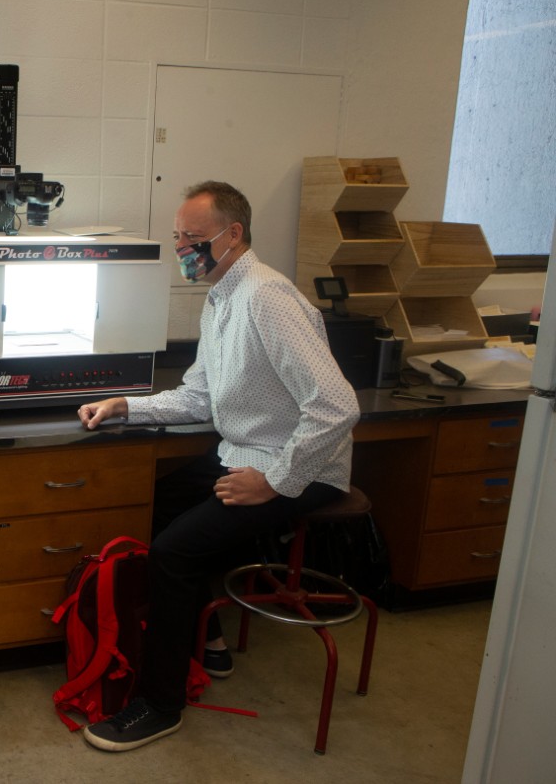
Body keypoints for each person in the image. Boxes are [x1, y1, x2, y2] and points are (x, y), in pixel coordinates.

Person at [76, 181, 359, 752]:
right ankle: (205, 635)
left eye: (193, 237)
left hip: (300, 467)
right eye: (178, 236)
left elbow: (337, 406)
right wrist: (127, 406)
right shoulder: (221, 296)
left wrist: (275, 481)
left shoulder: (267, 299)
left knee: (175, 552)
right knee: (163, 505)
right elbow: (199, 396)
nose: (183, 247)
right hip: (240, 452)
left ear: (234, 235)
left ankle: (160, 704)